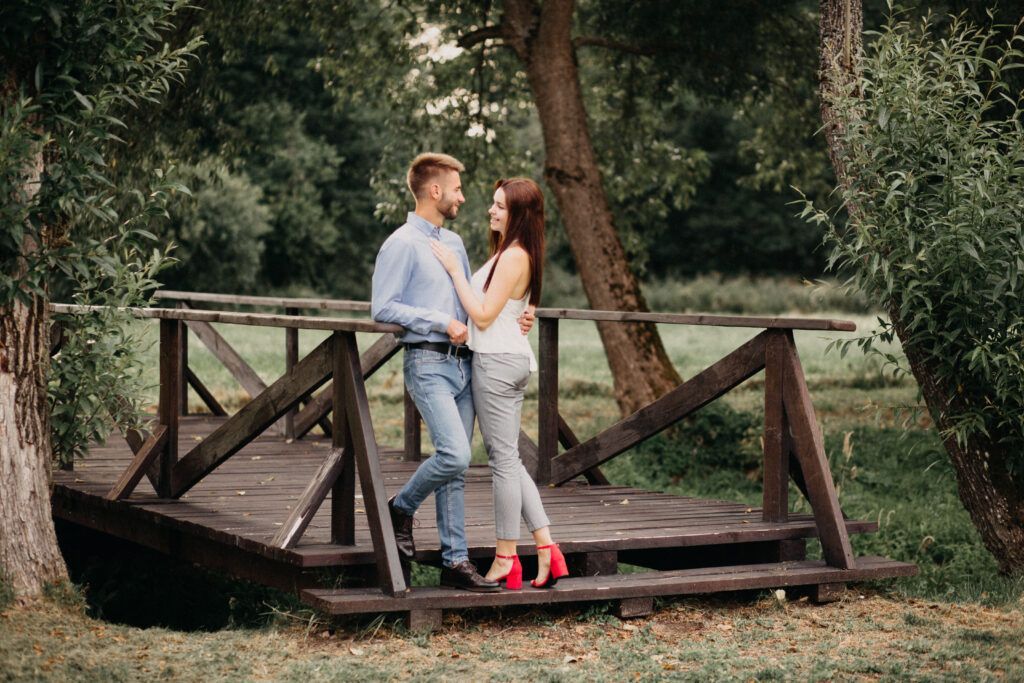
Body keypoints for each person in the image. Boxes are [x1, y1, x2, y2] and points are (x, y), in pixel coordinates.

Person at [371, 153, 534, 592]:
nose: (463, 197)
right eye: (457, 189)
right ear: (435, 190)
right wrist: (440, 321)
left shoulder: (455, 243)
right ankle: (400, 507)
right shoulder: (401, 243)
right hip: (427, 362)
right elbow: (382, 307)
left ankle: (455, 562)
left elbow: (477, 299)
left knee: (455, 471)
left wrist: (525, 310)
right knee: (456, 455)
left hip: (466, 364)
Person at [431, 177, 567, 590]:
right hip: (509, 359)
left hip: (496, 362)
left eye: (500, 206)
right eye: (493, 204)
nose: (491, 210)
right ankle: (547, 547)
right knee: (510, 459)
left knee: (503, 462)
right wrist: (529, 310)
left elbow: (484, 315)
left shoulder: (513, 256)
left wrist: (455, 271)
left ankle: (506, 556)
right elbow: (514, 303)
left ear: (519, 215)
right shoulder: (518, 253)